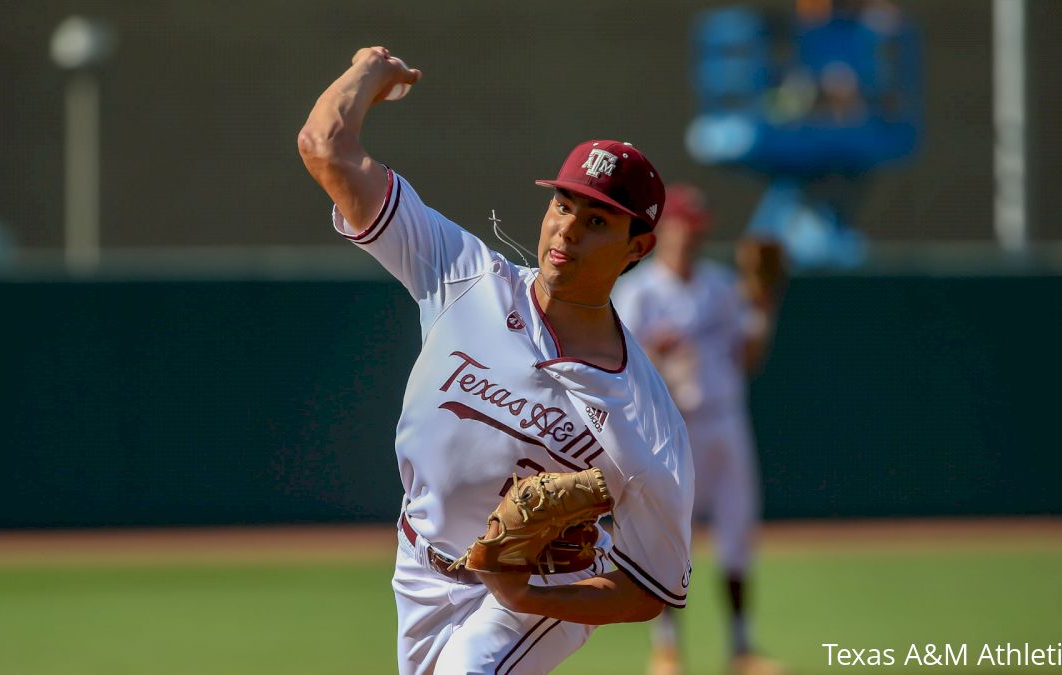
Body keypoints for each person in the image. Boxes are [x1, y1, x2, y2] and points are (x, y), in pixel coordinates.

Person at [298, 46, 695, 675]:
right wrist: (370, 69)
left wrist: (529, 593)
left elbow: (653, 589)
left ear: (637, 247)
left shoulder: (644, 422)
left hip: (526, 603)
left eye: (597, 220)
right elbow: (325, 147)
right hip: (416, 567)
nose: (567, 230)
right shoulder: (463, 276)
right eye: (563, 204)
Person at [613, 185, 785, 675]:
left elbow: (746, 359)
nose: (688, 236)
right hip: (671, 428)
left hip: (726, 420)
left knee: (736, 531)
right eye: (681, 226)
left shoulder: (722, 286)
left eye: (695, 228)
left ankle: (741, 646)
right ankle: (665, 647)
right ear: (661, 231)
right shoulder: (638, 291)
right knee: (670, 537)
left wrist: (765, 305)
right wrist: (650, 348)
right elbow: (618, 366)